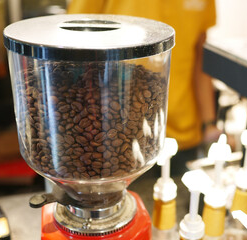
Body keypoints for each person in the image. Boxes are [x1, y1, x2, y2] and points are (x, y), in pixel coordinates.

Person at [67, 0, 221, 175]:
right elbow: (73, 39)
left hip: (183, 136)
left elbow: (200, 57)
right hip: (118, 135)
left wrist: (209, 124)